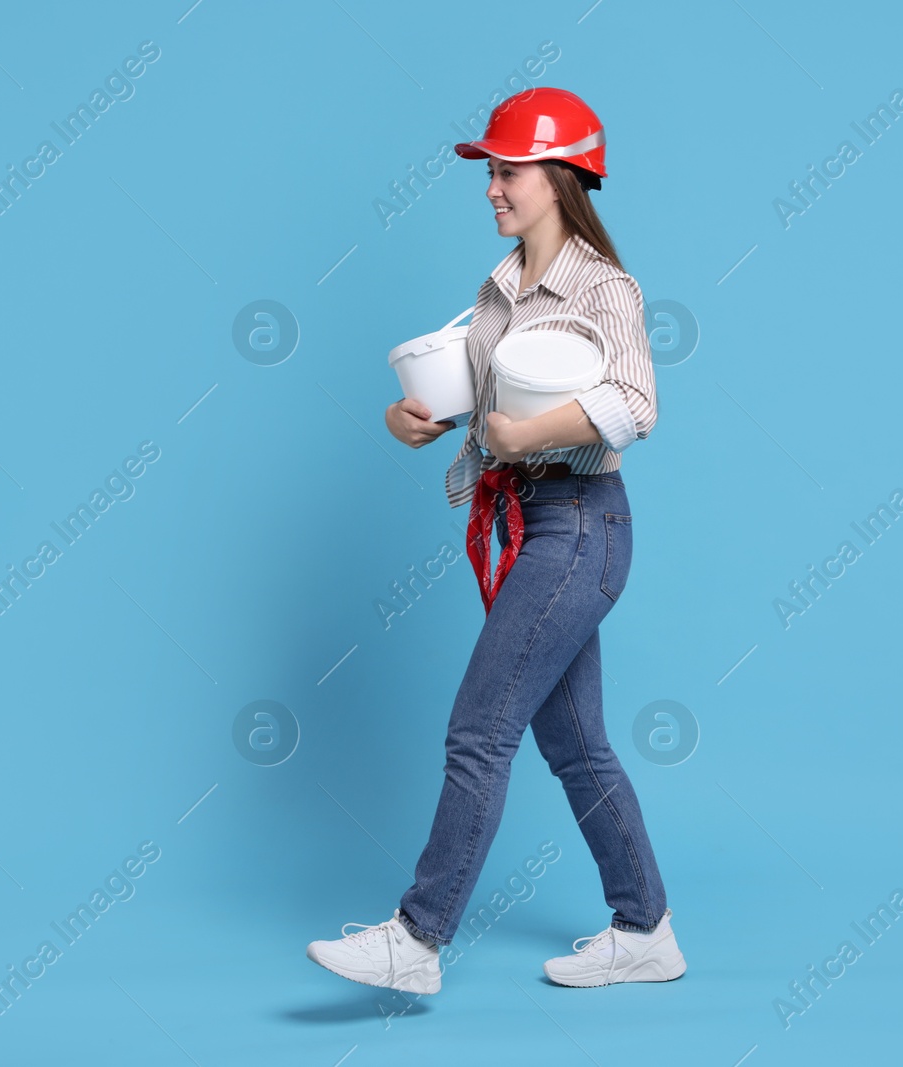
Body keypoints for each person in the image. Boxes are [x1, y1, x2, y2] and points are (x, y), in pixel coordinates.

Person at [307, 87, 684, 994]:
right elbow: (482, 405)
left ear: (560, 178)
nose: (492, 187)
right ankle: (647, 930)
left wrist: (533, 433)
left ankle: (418, 936)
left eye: (508, 170)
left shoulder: (606, 288)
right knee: (577, 744)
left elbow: (636, 403)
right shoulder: (499, 289)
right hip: (535, 524)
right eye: (490, 171)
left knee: (480, 729)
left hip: (583, 525)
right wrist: (421, 420)